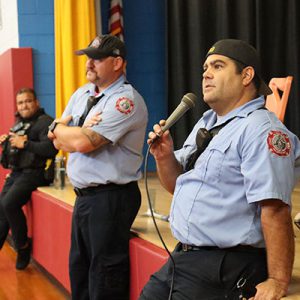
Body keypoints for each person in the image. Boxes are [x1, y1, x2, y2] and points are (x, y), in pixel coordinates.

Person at [140, 39, 300, 300]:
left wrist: (277, 281)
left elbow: (276, 209)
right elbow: (176, 185)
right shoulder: (208, 122)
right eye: (205, 67)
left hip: (227, 263)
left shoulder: (261, 131)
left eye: (217, 66)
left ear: (246, 75)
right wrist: (165, 157)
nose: (206, 73)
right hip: (186, 256)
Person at [48, 35, 148, 300]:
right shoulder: (82, 94)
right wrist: (68, 133)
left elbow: (80, 141)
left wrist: (63, 129)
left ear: (117, 63)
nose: (89, 63)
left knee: (105, 278)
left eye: (97, 58)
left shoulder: (125, 101)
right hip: (84, 198)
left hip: (111, 198)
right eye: (88, 57)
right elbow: (58, 141)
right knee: (79, 272)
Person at [0, 87, 58, 270]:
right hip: (17, 173)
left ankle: (22, 247)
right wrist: (5, 146)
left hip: (36, 173)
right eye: (20, 102)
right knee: (1, 208)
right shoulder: (18, 125)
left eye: (28, 101)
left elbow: (51, 149)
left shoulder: (46, 122)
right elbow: (7, 161)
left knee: (9, 204)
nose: (24, 105)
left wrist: (25, 143)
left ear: (36, 103)